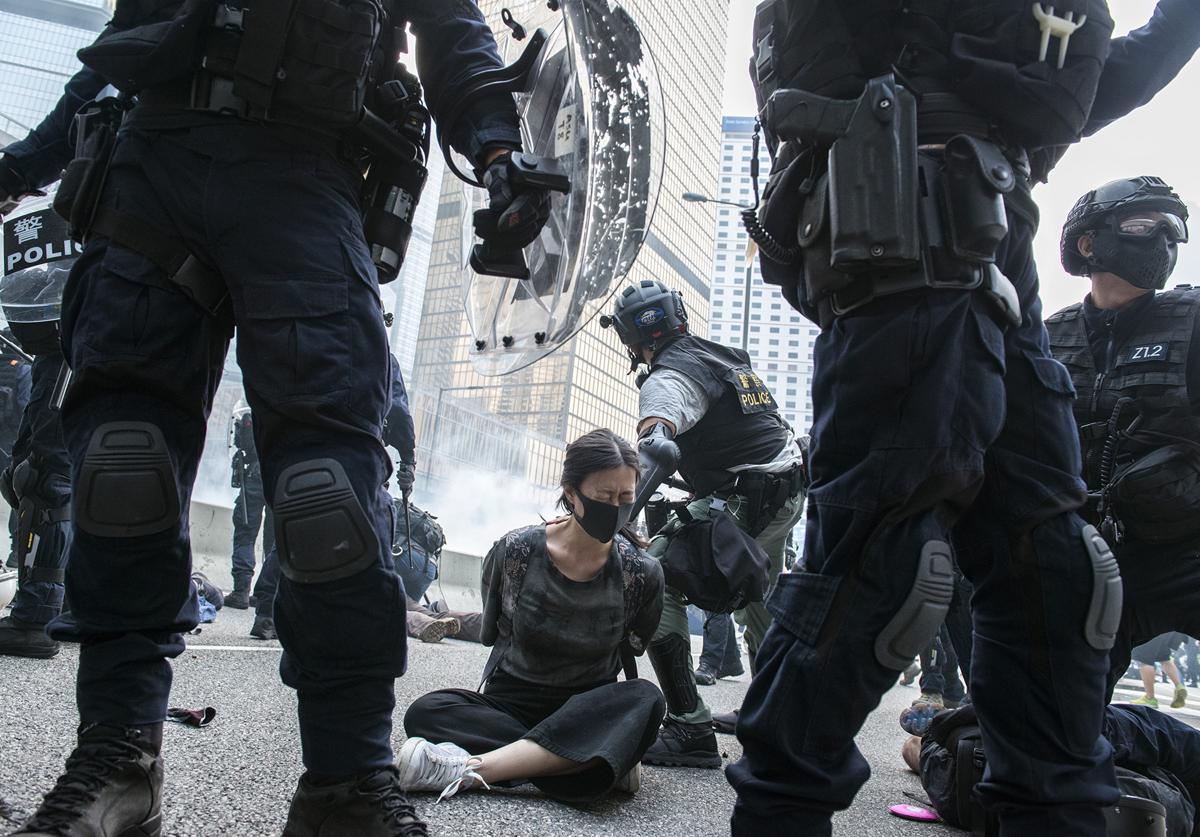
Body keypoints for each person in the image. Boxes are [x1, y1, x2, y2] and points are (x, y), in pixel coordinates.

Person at [0, 2, 552, 833]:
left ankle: (346, 780)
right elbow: (128, 42)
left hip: (310, 169)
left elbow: (450, 32)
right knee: (122, 462)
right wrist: (25, 163)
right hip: (157, 149)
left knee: (328, 489)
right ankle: (118, 755)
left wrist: (499, 149)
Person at [733, 1, 1200, 833]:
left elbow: (1071, 86)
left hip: (991, 242)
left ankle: (1053, 809)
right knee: (879, 556)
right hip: (911, 224)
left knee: (1053, 575)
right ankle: (781, 810)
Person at [397, 429, 666, 803]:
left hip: (587, 708)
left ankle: (474, 768)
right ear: (571, 493)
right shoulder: (515, 551)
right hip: (511, 701)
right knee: (426, 712)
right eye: (604, 496)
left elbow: (634, 646)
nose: (616, 508)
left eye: (626, 498)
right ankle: (584, 762)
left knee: (647, 699)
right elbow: (493, 632)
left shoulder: (642, 572)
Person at [603, 280, 806, 766]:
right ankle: (775, 715)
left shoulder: (666, 377)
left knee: (654, 577)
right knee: (756, 594)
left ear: (631, 338)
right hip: (784, 489)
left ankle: (689, 727)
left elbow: (659, 447)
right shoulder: (723, 357)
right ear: (679, 318)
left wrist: (615, 520)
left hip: (747, 497)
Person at [1047, 177, 1200, 716]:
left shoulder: (1194, 318)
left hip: (1187, 547)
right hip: (1092, 560)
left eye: (1173, 228)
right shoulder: (1049, 337)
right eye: (1143, 225)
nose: (1163, 239)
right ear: (1089, 243)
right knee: (1062, 723)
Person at [0, 201, 72, 659]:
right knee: (26, 472)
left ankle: (38, 615)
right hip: (54, 346)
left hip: (79, 339)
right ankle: (63, 602)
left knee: (49, 480)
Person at [226, 404, 272, 609]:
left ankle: (241, 591)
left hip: (255, 476)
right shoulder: (292, 412)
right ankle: (266, 593)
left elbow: (242, 443)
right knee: (275, 541)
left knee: (245, 533)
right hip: (280, 478)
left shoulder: (256, 411)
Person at [1129, 634, 1189, 709]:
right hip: (1169, 631)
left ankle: (1150, 698)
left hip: (1153, 629)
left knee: (1144, 659)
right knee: (1164, 658)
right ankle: (1179, 686)